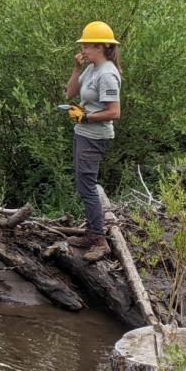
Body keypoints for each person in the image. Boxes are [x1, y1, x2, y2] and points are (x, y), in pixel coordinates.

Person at [63, 21, 123, 262]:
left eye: (86, 45)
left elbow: (115, 113)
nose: (83, 49)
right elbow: (69, 93)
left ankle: (99, 240)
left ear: (99, 46)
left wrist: (86, 117)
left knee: (87, 185)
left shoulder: (108, 73)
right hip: (84, 134)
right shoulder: (91, 69)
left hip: (95, 137)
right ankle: (91, 232)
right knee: (83, 183)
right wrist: (77, 69)